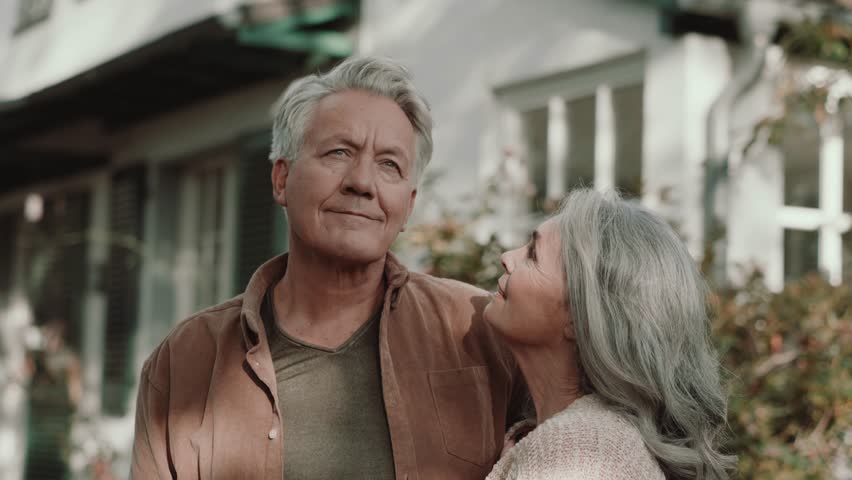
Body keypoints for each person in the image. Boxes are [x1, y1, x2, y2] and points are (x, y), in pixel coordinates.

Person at [131, 57, 525, 479]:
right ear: (281, 179)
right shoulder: (187, 361)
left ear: (407, 206)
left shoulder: (483, 332)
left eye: (389, 165)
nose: (362, 182)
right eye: (339, 152)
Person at [484, 189, 736, 480]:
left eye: (532, 255)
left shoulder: (582, 451)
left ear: (581, 318)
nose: (506, 258)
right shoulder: (582, 441)